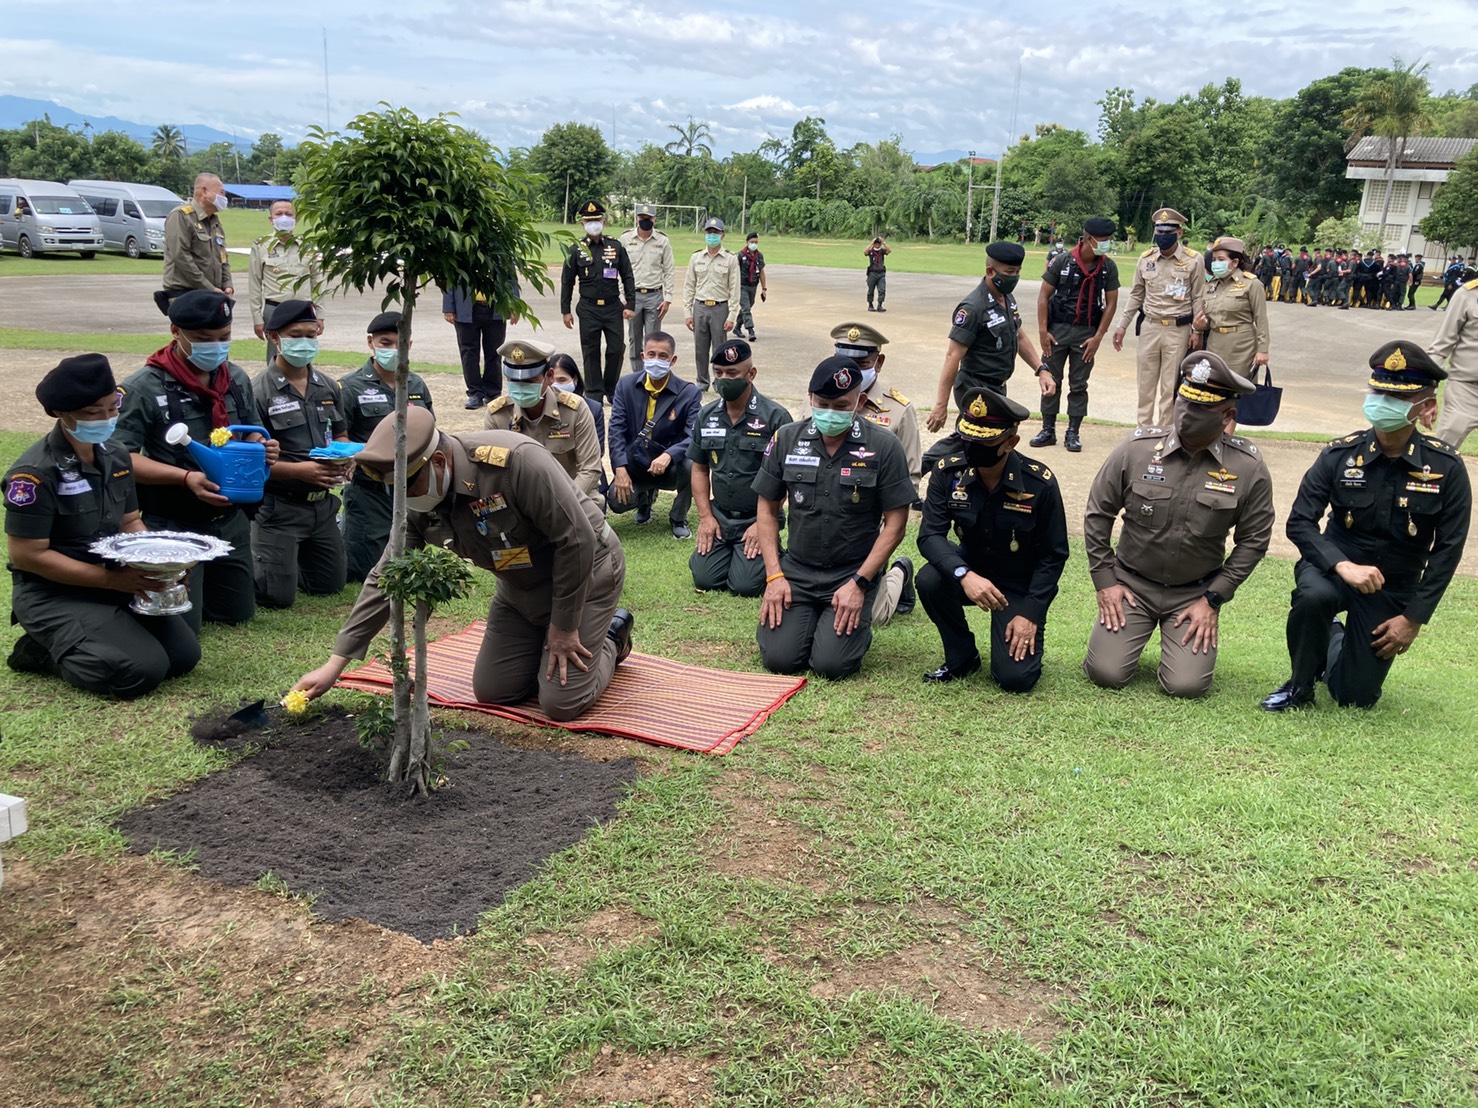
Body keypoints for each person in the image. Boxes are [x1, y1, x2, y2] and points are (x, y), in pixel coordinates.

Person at [291, 408, 633, 723]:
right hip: (520, 588)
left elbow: (577, 541)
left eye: (408, 485)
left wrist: (565, 626)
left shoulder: (516, 462)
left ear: (438, 462)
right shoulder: (419, 499)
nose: (404, 497)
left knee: (561, 703)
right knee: (494, 690)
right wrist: (335, 664)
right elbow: (387, 575)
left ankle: (612, 638)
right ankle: (548, 643)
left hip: (587, 575)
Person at [1262, 341, 1471, 711]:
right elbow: (1300, 522)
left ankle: (1332, 635)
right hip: (1334, 571)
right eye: (1379, 393)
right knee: (1314, 597)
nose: (1384, 402)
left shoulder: (1446, 468)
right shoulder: (1339, 455)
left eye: (1398, 397)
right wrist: (1342, 565)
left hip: (1392, 586)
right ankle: (1299, 686)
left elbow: (1447, 551)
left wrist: (1413, 619)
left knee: (1354, 696)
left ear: (1424, 406)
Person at [5, 354, 200, 697]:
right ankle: (40, 652)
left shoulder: (116, 453)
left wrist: (160, 565)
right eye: (94, 412)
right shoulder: (34, 474)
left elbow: (130, 520)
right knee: (139, 672)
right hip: (53, 592)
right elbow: (28, 556)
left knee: (183, 656)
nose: (108, 418)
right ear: (60, 413)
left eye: (113, 407)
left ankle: (89, 636)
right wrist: (113, 581)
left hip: (111, 581)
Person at [1082, 352, 1274, 698]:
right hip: (1132, 585)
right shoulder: (1137, 449)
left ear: (1228, 416)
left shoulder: (1247, 467)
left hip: (1193, 594)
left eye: (1201, 408)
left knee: (1186, 686)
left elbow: (1254, 541)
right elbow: (1098, 512)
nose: (1187, 413)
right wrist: (1106, 582)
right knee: (1105, 673)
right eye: (1184, 401)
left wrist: (1212, 599)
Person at [117, 290, 278, 634]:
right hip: (175, 518)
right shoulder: (143, 387)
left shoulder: (235, 378)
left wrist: (262, 447)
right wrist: (184, 477)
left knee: (237, 614)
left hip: (230, 517)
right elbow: (122, 458)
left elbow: (252, 429)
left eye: (224, 337)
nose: (216, 347)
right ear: (176, 331)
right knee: (182, 625)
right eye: (204, 339)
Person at [753, 356, 914, 679]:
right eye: (823, 404)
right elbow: (767, 509)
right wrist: (774, 577)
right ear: (810, 398)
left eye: (841, 406)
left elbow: (896, 525)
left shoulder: (884, 446)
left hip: (853, 572)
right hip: (797, 571)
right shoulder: (787, 439)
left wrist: (859, 583)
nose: (830, 412)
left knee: (831, 665)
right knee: (780, 660)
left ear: (860, 402)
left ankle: (897, 576)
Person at [916, 388, 1068, 691]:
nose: (971, 447)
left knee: (1015, 679)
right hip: (971, 570)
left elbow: (1054, 555)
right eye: (966, 437)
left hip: (1018, 583)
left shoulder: (1039, 483)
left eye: (984, 442)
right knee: (930, 579)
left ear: (1010, 442)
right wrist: (964, 574)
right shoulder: (947, 472)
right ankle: (962, 655)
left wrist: (1030, 613)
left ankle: (1017, 630)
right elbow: (930, 536)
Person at [251, 300, 350, 609]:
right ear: (274, 337)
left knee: (329, 586)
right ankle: (269, 558)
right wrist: (299, 471)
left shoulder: (328, 386)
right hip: (279, 507)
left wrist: (346, 459)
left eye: (311, 334)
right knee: (275, 598)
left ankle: (288, 561)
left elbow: (341, 433)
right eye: (295, 335)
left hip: (321, 506)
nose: (305, 342)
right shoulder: (259, 390)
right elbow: (252, 461)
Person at [687, 339, 792, 596]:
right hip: (720, 515)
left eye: (732, 373)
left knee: (745, 586)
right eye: (718, 373)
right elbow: (699, 468)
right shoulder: (706, 415)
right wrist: (706, 517)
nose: (724, 379)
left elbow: (785, 479)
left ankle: (774, 550)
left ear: (751, 374)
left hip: (758, 517)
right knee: (705, 578)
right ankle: (731, 552)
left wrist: (763, 524)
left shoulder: (775, 417)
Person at [339, 311, 434, 582]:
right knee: (363, 571)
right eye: (385, 342)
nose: (393, 349)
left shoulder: (416, 384)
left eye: (400, 343)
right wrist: (357, 455)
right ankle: (339, 528)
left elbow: (431, 431)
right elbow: (339, 438)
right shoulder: (350, 387)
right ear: (370, 342)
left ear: (409, 345)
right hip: (369, 491)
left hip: (410, 489)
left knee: (407, 566)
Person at [927, 242, 1052, 434]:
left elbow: (1019, 336)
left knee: (992, 441)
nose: (1015, 277)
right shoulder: (973, 308)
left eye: (1018, 271)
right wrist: (940, 406)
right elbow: (953, 356)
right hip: (975, 389)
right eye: (1009, 272)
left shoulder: (1007, 298)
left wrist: (1041, 369)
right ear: (990, 271)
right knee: (981, 440)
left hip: (997, 387)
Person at [1031, 216, 1121, 452]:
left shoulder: (1108, 267)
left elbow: (1111, 303)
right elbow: (1043, 296)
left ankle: (1073, 432)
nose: (1107, 243)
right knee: (1051, 379)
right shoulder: (1062, 261)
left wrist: (1098, 337)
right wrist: (1043, 331)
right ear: (1089, 239)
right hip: (1057, 330)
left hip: (1086, 334)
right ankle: (1048, 429)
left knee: (1079, 384)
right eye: (1103, 239)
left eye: (1109, 239)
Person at [1111, 207, 1205, 429]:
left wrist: (1197, 331)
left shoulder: (1194, 260)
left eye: (1168, 232)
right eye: (1159, 232)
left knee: (1170, 385)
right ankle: (1143, 429)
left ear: (1179, 233)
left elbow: (1198, 297)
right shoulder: (1146, 259)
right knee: (1145, 382)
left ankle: (1164, 431)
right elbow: (1136, 294)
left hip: (1177, 329)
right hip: (1150, 326)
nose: (1163, 236)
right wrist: (1122, 325)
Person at [607, 331, 701, 538]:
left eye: (663, 356)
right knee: (616, 502)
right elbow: (616, 430)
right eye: (651, 354)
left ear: (672, 360)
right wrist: (620, 468)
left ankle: (678, 517)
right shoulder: (625, 385)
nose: (656, 360)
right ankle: (644, 500)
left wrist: (669, 455)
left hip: (671, 466)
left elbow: (694, 436)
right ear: (643, 356)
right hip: (637, 462)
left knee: (693, 463)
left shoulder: (689, 393)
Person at [484, 339, 604, 497]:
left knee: (592, 508)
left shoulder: (575, 409)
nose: (521, 387)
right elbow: (492, 473)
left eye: (529, 381)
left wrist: (561, 503)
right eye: (514, 381)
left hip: (573, 496)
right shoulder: (497, 414)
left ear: (549, 376)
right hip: (522, 500)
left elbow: (590, 469)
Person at [834, 321, 923, 497]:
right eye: (843, 362)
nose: (850, 371)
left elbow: (908, 480)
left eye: (861, 363)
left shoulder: (899, 411)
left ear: (879, 363)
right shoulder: (814, 402)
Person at [560, 200, 635, 401]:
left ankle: (611, 389)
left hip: (612, 306)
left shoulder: (615, 246)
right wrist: (565, 310)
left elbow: (627, 275)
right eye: (589, 221)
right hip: (588, 307)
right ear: (582, 224)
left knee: (616, 349)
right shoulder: (576, 249)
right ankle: (594, 392)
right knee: (590, 351)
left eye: (597, 220)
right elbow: (567, 281)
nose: (593, 224)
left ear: (604, 222)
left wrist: (630, 304)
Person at [248, 199, 324, 363]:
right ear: (271, 219)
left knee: (304, 353)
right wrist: (257, 318)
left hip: (303, 309)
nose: (284, 218)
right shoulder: (261, 246)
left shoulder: (307, 246)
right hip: (275, 308)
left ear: (296, 219)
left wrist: (320, 314)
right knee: (275, 356)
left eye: (289, 214)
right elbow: (255, 284)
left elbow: (317, 282)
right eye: (279, 214)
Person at [1191, 236, 1270, 381]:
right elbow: (1208, 317)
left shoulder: (1251, 284)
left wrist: (1262, 350)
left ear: (1234, 262)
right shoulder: (1210, 286)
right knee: (1213, 386)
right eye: (1214, 260)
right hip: (1215, 344)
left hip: (1241, 347)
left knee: (1238, 386)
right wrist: (1198, 328)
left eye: (1221, 259)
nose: (1215, 263)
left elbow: (1261, 319)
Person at [158, 173, 232, 315]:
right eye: (221, 193)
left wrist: (227, 284)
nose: (224, 198)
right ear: (204, 191)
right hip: (186, 295)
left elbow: (222, 257)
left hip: (213, 295)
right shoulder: (181, 216)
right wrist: (209, 287)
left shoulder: (214, 222)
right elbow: (181, 257)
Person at [683, 216, 741, 391]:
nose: (712, 236)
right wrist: (687, 313)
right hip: (700, 307)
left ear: (722, 235)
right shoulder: (696, 257)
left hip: (720, 307)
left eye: (716, 232)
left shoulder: (730, 259)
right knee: (700, 349)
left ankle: (719, 382)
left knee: (720, 349)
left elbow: (735, 289)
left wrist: (732, 316)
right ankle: (702, 382)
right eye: (709, 232)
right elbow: (689, 286)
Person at [619, 203, 675, 372]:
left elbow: (669, 270)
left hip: (654, 296)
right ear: (637, 218)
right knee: (634, 338)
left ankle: (652, 373)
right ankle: (638, 374)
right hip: (632, 296)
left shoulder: (662, 241)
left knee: (653, 340)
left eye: (649, 218)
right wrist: (621, 295)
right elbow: (618, 269)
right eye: (642, 217)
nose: (645, 220)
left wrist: (668, 299)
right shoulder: (625, 239)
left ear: (654, 219)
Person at [444, 283, 518, 409]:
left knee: (495, 351)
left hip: (496, 307)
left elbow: (510, 279)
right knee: (468, 352)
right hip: (465, 306)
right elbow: (450, 279)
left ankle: (493, 391)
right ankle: (475, 392)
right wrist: (448, 307)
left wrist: (514, 306)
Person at [1427, 268, 1478, 450]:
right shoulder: (1467, 295)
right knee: (1443, 451)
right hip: (1466, 390)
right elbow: (1440, 346)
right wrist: (1429, 392)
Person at [737, 232, 767, 342]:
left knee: (748, 307)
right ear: (747, 242)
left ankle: (737, 327)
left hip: (753, 285)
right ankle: (751, 330)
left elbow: (762, 272)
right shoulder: (740, 255)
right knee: (746, 308)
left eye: (756, 242)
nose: (754, 244)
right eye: (752, 242)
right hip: (742, 286)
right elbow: (734, 272)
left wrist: (764, 289)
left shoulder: (759, 256)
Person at [864, 236, 890, 312]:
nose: (877, 245)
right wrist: (871, 243)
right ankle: (870, 305)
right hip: (872, 273)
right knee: (871, 290)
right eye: (876, 243)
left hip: (881, 273)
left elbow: (889, 251)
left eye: (878, 243)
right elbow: (865, 252)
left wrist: (884, 242)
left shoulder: (882, 251)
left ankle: (880, 305)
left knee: (882, 289)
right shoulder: (871, 251)